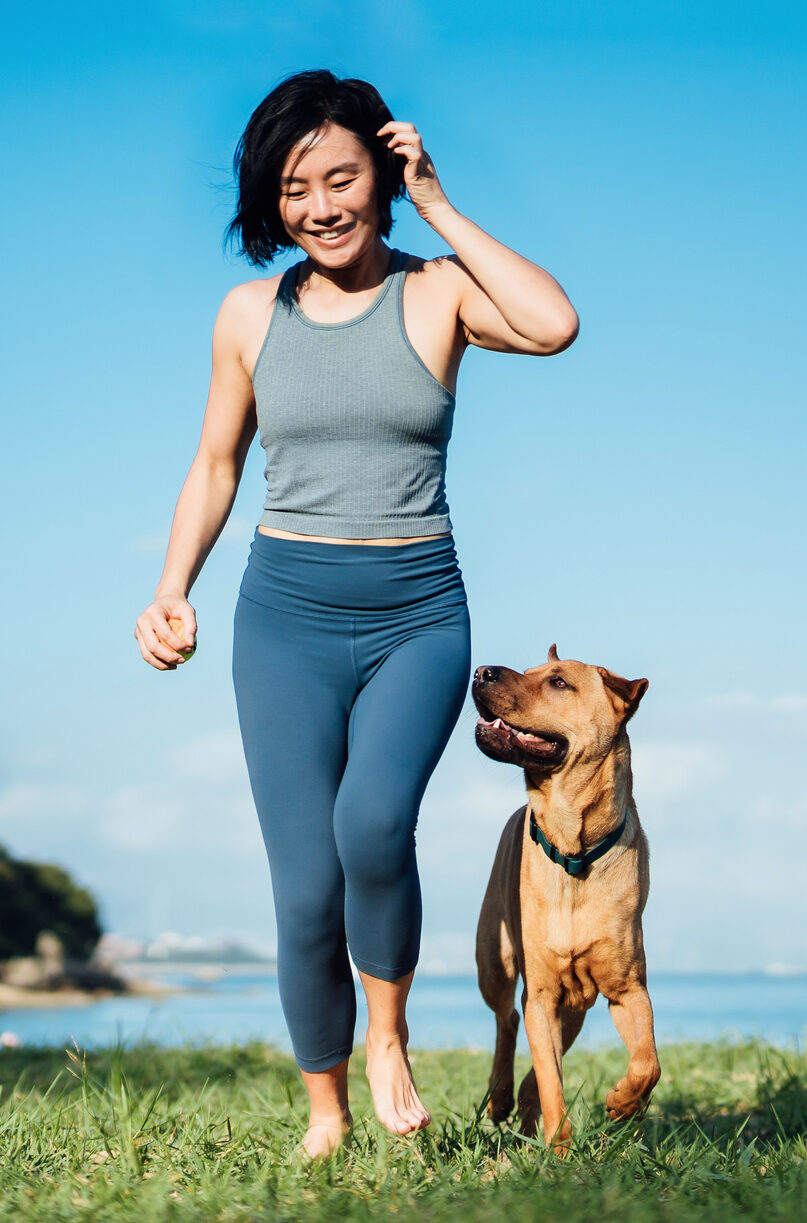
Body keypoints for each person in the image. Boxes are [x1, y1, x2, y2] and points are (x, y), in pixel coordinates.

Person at [135, 69, 578, 1158]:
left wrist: (440, 202)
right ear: (269, 201)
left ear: (380, 174)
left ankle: (388, 1037)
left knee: (373, 825)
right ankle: (326, 1112)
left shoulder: (438, 293)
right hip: (282, 614)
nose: (321, 205)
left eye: (341, 177)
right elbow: (214, 462)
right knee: (303, 886)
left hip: (416, 614)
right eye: (294, 187)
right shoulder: (249, 314)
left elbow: (554, 322)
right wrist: (169, 588)